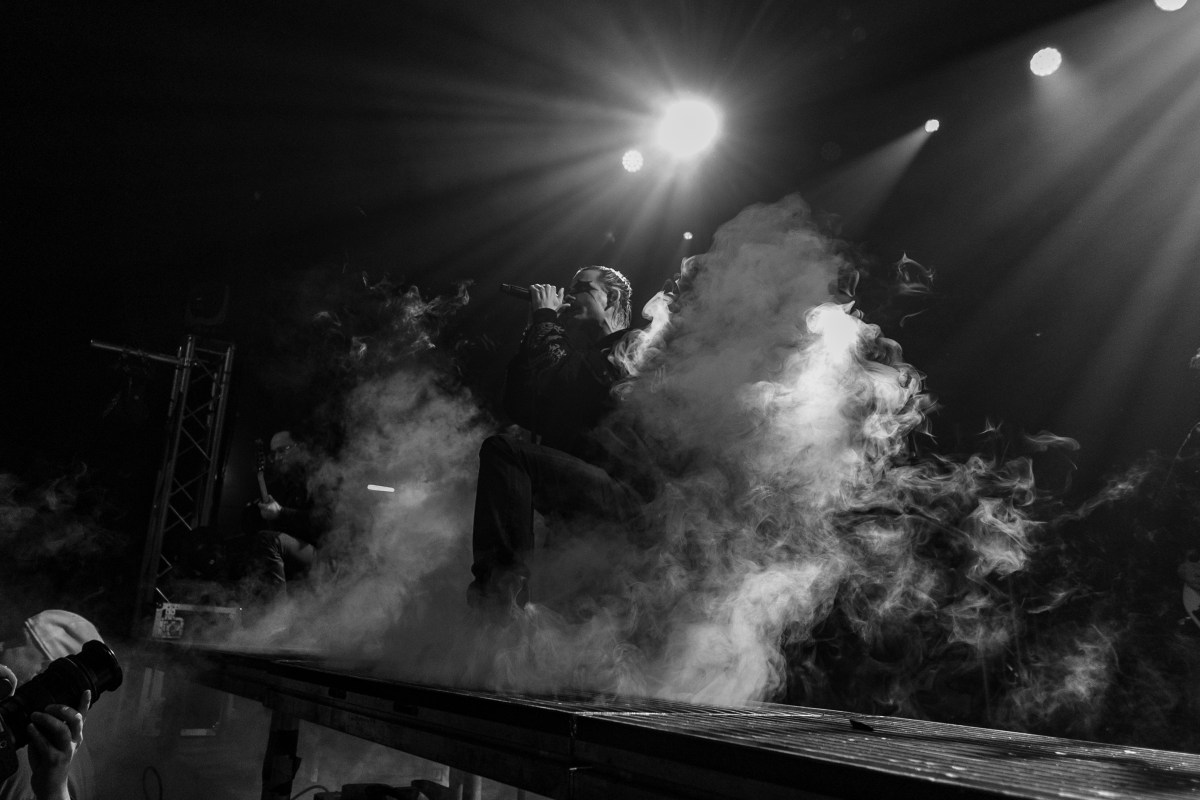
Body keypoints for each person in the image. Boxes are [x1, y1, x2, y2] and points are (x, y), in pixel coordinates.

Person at [468, 265, 648, 611]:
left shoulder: (633, 345)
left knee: (505, 452)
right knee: (565, 616)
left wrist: (546, 319)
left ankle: (499, 592)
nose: (568, 294)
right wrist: (539, 326)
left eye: (581, 287)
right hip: (578, 507)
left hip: (623, 494)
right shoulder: (576, 356)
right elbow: (521, 405)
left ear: (609, 297)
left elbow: (566, 385)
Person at [0, 611, 98, 800]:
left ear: (47, 671)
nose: (1, 644)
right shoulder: (67, 748)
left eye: (17, 640)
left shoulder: (19, 748)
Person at [249, 430, 329, 600]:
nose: (277, 457)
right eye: (274, 453)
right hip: (305, 557)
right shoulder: (289, 485)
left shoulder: (320, 476)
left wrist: (282, 513)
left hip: (327, 557)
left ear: (299, 448)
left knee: (268, 540)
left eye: (282, 450)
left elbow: (324, 521)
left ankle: (276, 614)